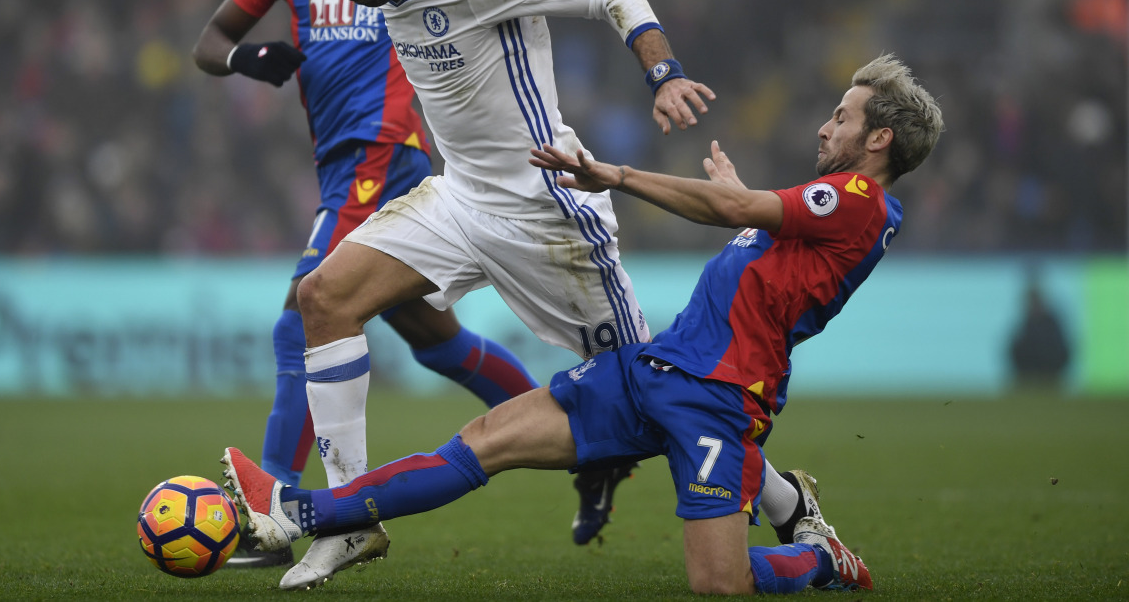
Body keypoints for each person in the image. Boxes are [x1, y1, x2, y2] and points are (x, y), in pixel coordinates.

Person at [222, 53, 944, 594]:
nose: (826, 124)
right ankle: (296, 511)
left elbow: (741, 214)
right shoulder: (833, 203)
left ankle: (818, 556)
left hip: (717, 399)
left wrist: (620, 177)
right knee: (485, 439)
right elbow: (755, 220)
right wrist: (741, 198)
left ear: (879, 140)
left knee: (719, 583)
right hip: (651, 369)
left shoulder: (860, 200)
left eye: (843, 117)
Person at [247, 0, 718, 590]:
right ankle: (350, 518)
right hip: (459, 199)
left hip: (548, 213)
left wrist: (664, 76)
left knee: (651, 394)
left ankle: (785, 501)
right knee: (324, 297)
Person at [191, 0, 592, 569]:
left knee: (302, 313)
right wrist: (251, 55)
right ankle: (577, 438)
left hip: (389, 154)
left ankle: (275, 510)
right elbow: (207, 43)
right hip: (339, 163)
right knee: (436, 341)